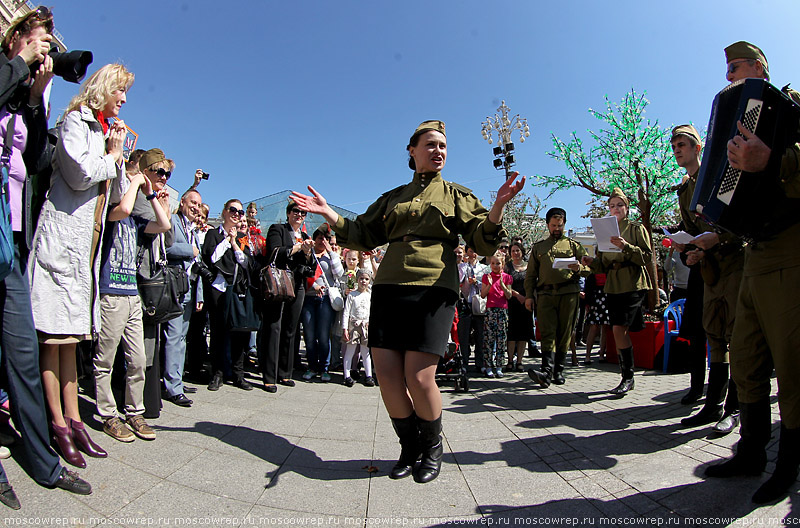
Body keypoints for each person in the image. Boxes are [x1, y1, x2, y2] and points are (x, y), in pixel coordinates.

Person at [290, 119, 524, 484]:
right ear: (412, 151)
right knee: (386, 376)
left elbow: (483, 239)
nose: (438, 151)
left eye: (443, 146)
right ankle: (408, 447)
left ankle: (432, 448)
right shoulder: (392, 198)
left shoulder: (456, 196)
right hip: (389, 288)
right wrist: (327, 213)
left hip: (433, 289)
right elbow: (362, 233)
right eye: (430, 144)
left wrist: (496, 206)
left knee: (418, 376)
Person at [0, 6, 92, 506]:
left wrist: (36, 97)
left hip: (10, 236)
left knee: (20, 351)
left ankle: (43, 461)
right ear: (15, 38)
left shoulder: (20, 95)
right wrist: (19, 66)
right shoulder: (4, 71)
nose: (45, 52)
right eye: (38, 41)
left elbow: (36, 159)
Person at [704, 41, 800, 504]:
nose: (728, 77)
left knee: (793, 364)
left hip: (791, 245)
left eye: (736, 68)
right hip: (754, 249)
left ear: (759, 68)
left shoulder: (791, 106)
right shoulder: (734, 111)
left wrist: (774, 162)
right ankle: (752, 452)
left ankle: (789, 465)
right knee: (745, 356)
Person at [28, 63, 132, 467]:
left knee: (71, 341)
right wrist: (112, 154)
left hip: (85, 252)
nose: (123, 100)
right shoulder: (75, 121)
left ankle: (75, 419)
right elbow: (80, 174)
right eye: (120, 91)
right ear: (104, 88)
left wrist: (118, 155)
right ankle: (56, 421)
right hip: (60, 242)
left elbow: (119, 197)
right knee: (52, 339)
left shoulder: (104, 132)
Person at [669, 125, 745, 431]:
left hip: (733, 262)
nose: (677, 149)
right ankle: (713, 404)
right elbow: (694, 231)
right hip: (709, 268)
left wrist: (717, 239)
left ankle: (736, 408)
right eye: (674, 145)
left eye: (683, 144)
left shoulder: (717, 175)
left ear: (697, 147)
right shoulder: (684, 190)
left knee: (737, 335)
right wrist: (691, 249)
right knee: (714, 333)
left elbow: (737, 218)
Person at [94, 160, 170, 442]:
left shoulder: (137, 220)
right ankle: (108, 415)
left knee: (137, 359)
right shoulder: (110, 212)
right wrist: (137, 182)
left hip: (131, 294)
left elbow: (164, 224)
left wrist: (151, 195)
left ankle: (134, 411)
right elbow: (124, 207)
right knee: (105, 359)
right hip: (110, 292)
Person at [581, 189, 651, 395]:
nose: (616, 209)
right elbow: (603, 264)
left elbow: (646, 257)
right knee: (618, 329)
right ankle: (627, 376)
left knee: (620, 329)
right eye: (612, 206)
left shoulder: (635, 229)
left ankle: (627, 377)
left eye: (620, 205)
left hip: (632, 283)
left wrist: (627, 247)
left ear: (627, 208)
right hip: (612, 285)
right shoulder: (604, 232)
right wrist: (591, 262)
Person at [525, 208, 589, 388]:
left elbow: (590, 268)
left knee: (565, 332)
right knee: (547, 332)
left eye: (559, 225)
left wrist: (579, 269)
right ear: (548, 225)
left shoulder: (574, 246)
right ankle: (546, 370)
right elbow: (531, 275)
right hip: (545, 294)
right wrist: (529, 296)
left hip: (568, 293)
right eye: (553, 225)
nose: (556, 229)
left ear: (564, 224)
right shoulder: (539, 247)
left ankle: (558, 370)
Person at [258, 200, 314, 393]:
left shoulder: (305, 236)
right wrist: (297, 248)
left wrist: (307, 253)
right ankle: (269, 376)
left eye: (303, 213)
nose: (299, 215)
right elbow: (273, 253)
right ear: (289, 213)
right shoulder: (278, 229)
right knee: (274, 326)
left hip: (297, 284)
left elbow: (311, 267)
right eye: (296, 211)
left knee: (291, 328)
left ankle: (285, 372)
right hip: (279, 282)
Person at [203, 199, 254, 392]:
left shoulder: (241, 238)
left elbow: (246, 263)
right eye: (233, 210)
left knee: (240, 332)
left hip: (237, 290)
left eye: (240, 212)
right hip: (219, 289)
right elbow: (212, 257)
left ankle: (238, 374)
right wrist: (227, 240)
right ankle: (217, 373)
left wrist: (234, 243)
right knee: (218, 332)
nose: (237, 214)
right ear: (224, 212)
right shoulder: (213, 234)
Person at [162, 188, 203, 408]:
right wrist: (190, 250)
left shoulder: (192, 229)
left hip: (188, 290)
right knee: (173, 337)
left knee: (181, 339)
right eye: (193, 202)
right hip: (172, 288)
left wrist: (199, 295)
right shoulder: (173, 221)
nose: (196, 207)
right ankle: (172, 387)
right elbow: (165, 247)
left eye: (198, 204)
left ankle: (177, 379)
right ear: (183, 202)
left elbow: (198, 265)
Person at [301, 225, 344, 382]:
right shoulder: (308, 254)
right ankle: (312, 366)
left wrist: (331, 252)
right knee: (310, 335)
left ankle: (324, 368)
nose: (322, 241)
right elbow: (303, 272)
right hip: (309, 298)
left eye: (325, 238)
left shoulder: (331, 255)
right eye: (320, 238)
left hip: (326, 298)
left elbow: (339, 273)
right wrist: (314, 286)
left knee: (324, 335)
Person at [481, 252, 512, 378]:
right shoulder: (486, 276)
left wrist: (503, 285)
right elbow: (483, 295)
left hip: (502, 310)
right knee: (489, 339)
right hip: (490, 310)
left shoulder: (507, 277)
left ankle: (499, 366)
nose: (495, 266)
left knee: (501, 339)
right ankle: (488, 366)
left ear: (503, 264)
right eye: (493, 263)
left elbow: (509, 295)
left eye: (498, 263)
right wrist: (489, 284)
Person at [504, 241, 534, 372]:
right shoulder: (507, 267)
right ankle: (510, 360)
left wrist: (528, 298)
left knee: (523, 334)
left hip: (526, 303)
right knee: (511, 334)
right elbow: (505, 285)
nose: (515, 253)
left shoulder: (529, 266)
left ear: (522, 252)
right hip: (512, 302)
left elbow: (532, 283)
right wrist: (517, 295)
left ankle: (520, 361)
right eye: (513, 251)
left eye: (517, 250)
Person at [341, 269, 374, 387]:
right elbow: (346, 312)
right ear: (357, 280)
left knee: (366, 352)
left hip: (365, 325)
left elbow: (372, 311)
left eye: (366, 279)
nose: (363, 281)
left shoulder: (370, 295)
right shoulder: (352, 295)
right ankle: (347, 375)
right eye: (361, 279)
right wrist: (345, 328)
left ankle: (368, 375)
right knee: (350, 351)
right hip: (354, 325)